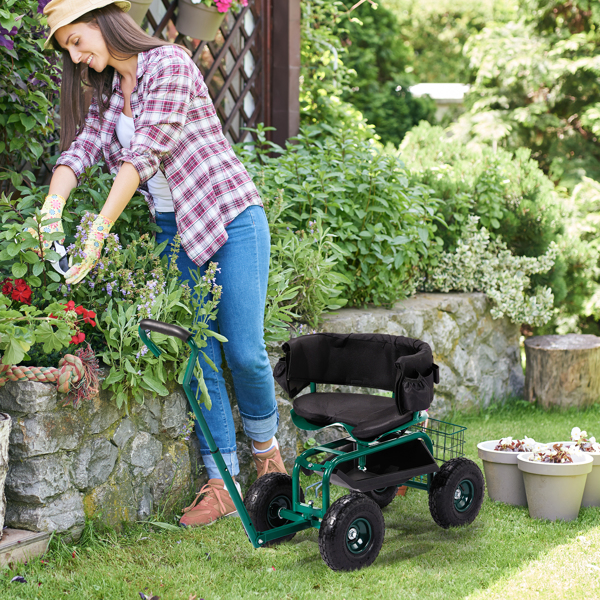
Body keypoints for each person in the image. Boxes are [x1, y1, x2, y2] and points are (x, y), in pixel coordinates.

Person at [39, 0, 286, 527]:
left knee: (242, 351)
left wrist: (99, 231)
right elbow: (80, 152)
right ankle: (221, 484)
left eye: (78, 40)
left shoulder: (169, 64)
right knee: (197, 351)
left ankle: (269, 461)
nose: (78, 57)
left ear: (102, 21)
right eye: (68, 50)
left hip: (230, 216)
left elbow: (145, 152)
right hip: (175, 232)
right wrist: (51, 214)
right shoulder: (109, 98)